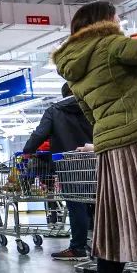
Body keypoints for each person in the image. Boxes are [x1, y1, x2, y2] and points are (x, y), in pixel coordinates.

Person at [52, 0, 137, 273]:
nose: (119, 21)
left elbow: (90, 114)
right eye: (116, 16)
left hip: (109, 149)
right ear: (104, 20)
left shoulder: (73, 67)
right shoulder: (110, 44)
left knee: (115, 227)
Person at [22, 82, 93, 260]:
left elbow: (39, 134)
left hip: (68, 165)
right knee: (97, 203)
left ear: (63, 94)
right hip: (96, 162)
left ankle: (78, 248)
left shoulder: (54, 110)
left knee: (76, 204)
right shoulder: (92, 105)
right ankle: (104, 247)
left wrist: (27, 150)